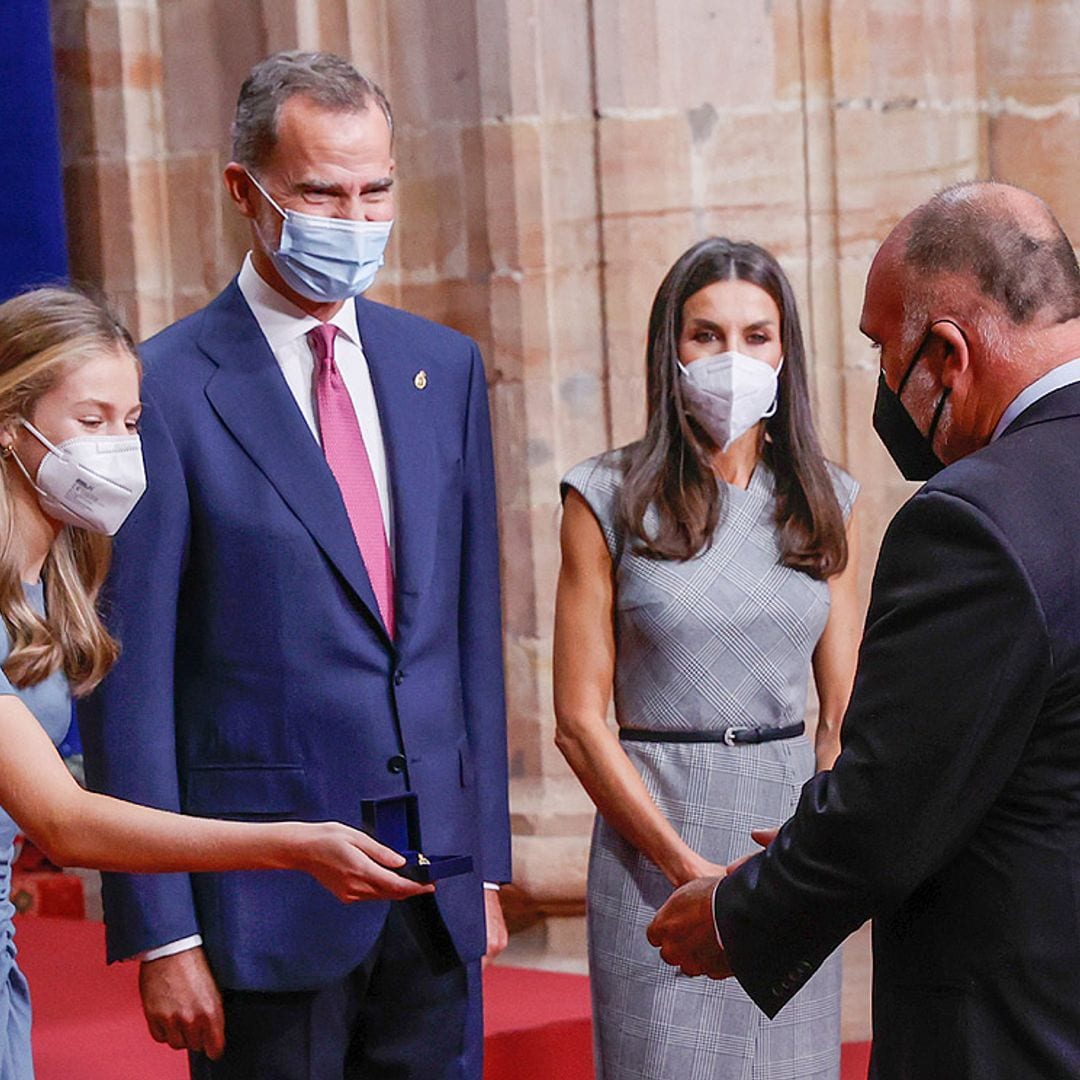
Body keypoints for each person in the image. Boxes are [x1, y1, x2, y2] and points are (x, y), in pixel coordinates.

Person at [77, 51, 510, 1079]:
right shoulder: (166, 389)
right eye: (321, 191)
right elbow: (127, 678)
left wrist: (482, 864)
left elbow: (468, 635)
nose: (353, 220)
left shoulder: (440, 367)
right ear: (245, 191)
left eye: (375, 191)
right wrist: (165, 933)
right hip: (259, 916)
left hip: (431, 894)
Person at [647, 181, 1080, 1079]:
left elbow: (890, 804)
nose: (886, 380)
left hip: (1010, 1021)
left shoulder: (974, 519)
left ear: (947, 353)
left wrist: (737, 914)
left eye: (884, 347)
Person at [0, 284, 437, 1078]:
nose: (118, 448)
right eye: (89, 422)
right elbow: (63, 823)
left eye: (131, 424)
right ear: (9, 424)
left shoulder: (56, 583)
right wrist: (289, 845)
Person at [554, 237, 861, 1079]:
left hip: (787, 845)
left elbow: (844, 712)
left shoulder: (827, 499)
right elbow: (580, 724)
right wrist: (685, 864)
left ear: (785, 351)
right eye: (707, 336)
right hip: (654, 844)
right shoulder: (603, 497)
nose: (733, 357)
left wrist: (804, 858)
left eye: (756, 336)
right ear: (671, 349)